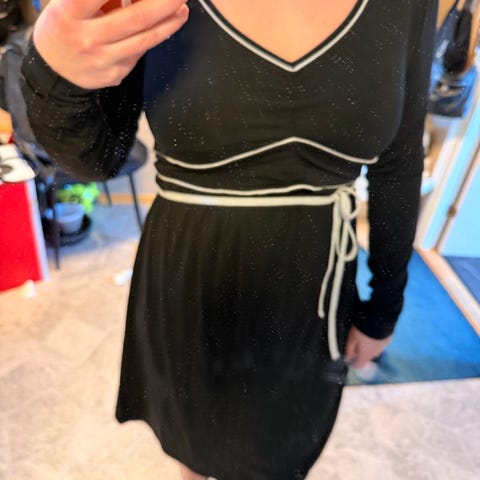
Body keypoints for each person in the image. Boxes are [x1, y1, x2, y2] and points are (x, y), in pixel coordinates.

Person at [21, 1, 438, 479]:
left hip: (312, 293)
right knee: (193, 442)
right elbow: (98, 158)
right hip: (189, 281)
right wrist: (54, 68)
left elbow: (399, 161)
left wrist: (384, 309)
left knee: (283, 449)